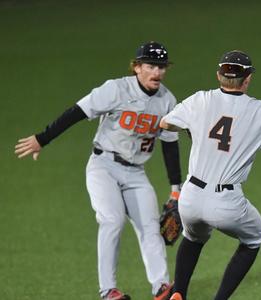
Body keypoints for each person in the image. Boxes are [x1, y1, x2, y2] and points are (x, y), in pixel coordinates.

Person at [14, 41, 183, 300]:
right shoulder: (115, 89)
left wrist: (175, 190)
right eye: (151, 66)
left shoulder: (167, 101)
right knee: (111, 220)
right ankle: (108, 291)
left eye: (161, 67)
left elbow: (170, 147)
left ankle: (161, 287)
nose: (157, 72)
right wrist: (42, 139)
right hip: (103, 166)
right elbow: (77, 112)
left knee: (150, 227)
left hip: (136, 173)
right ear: (137, 67)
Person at [159, 50, 261, 300]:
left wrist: (193, 129)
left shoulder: (200, 99)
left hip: (190, 197)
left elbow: (165, 124)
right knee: (255, 237)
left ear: (218, 76)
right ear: (247, 79)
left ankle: (179, 292)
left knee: (193, 236)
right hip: (225, 202)